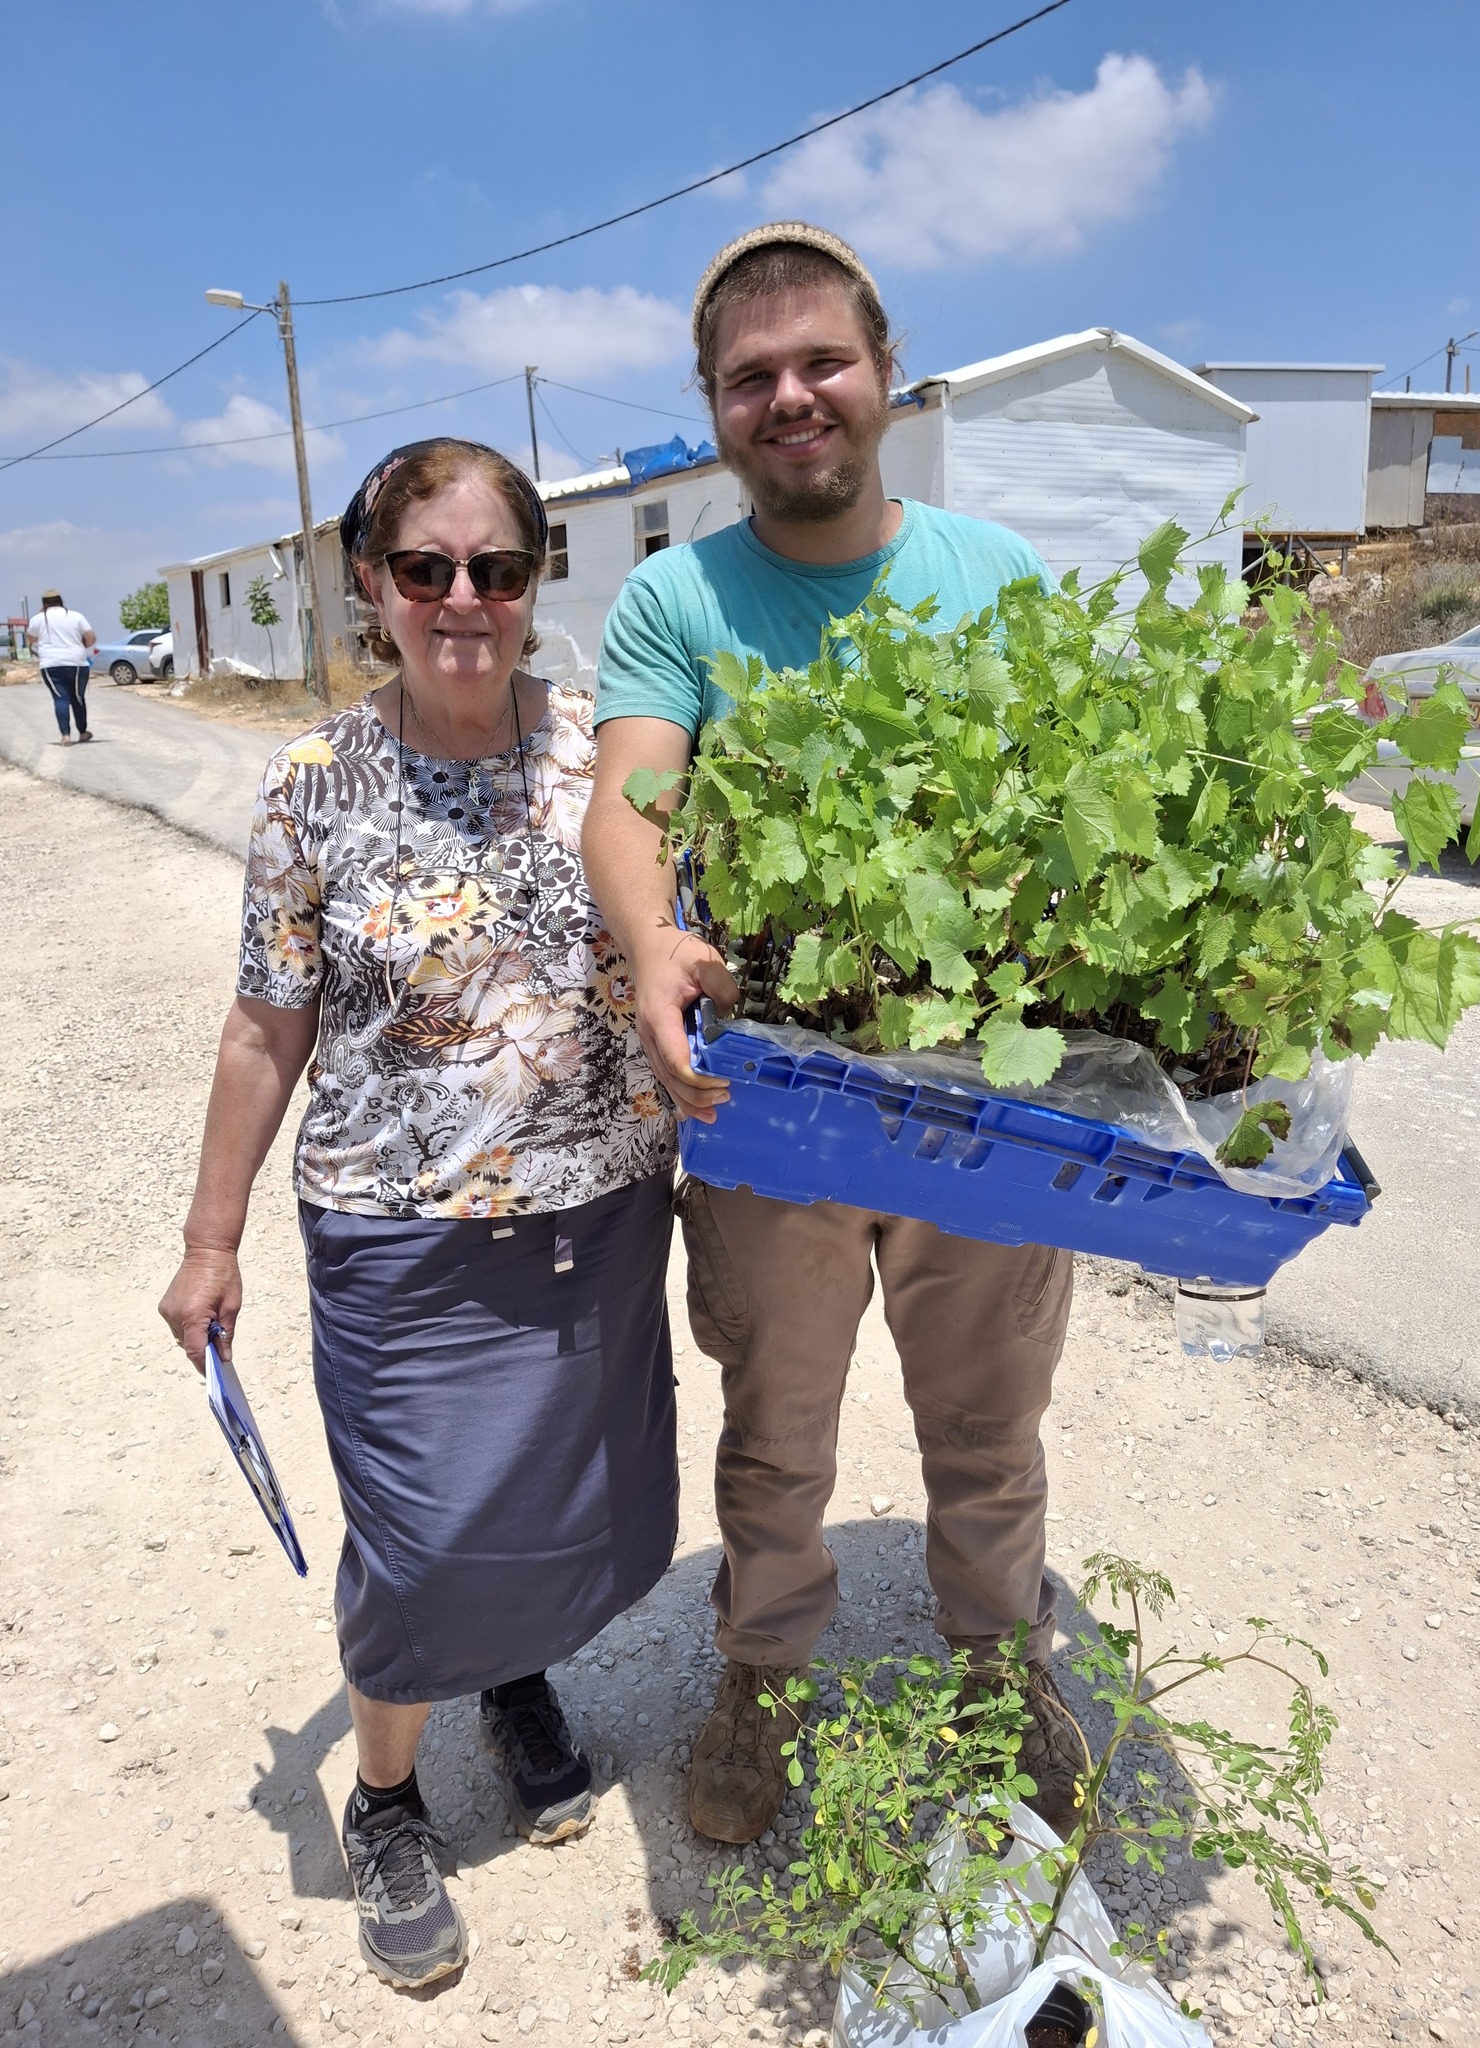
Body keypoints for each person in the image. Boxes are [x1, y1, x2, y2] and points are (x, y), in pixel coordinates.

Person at [159, 437, 678, 1990]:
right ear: (371, 586)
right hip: (401, 1230)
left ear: (537, 582)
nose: (465, 599)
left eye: (498, 569)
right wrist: (209, 1237)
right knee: (420, 1532)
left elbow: (688, 955)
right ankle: (385, 1795)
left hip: (598, 1219)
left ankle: (511, 1679)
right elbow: (266, 1027)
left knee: (556, 1502)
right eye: (426, 568)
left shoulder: (608, 758)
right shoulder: (312, 784)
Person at [582, 223, 1078, 1848]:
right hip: (774, 1089)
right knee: (776, 1421)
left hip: (971, 1097)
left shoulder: (994, 576)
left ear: (883, 372)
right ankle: (764, 1670)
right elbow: (629, 796)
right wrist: (653, 940)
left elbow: (1076, 818)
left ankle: (1002, 1665)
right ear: (713, 407)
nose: (790, 397)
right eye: (751, 378)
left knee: (989, 1408)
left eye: (821, 363)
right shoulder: (676, 593)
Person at [26, 589, 95, 743]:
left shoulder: (38, 619)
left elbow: (31, 639)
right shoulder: (76, 616)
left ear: (44, 604)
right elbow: (90, 637)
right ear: (61, 601)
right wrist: (81, 648)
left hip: (50, 664)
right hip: (76, 662)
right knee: (77, 697)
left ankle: (65, 735)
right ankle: (83, 732)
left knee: (60, 698)